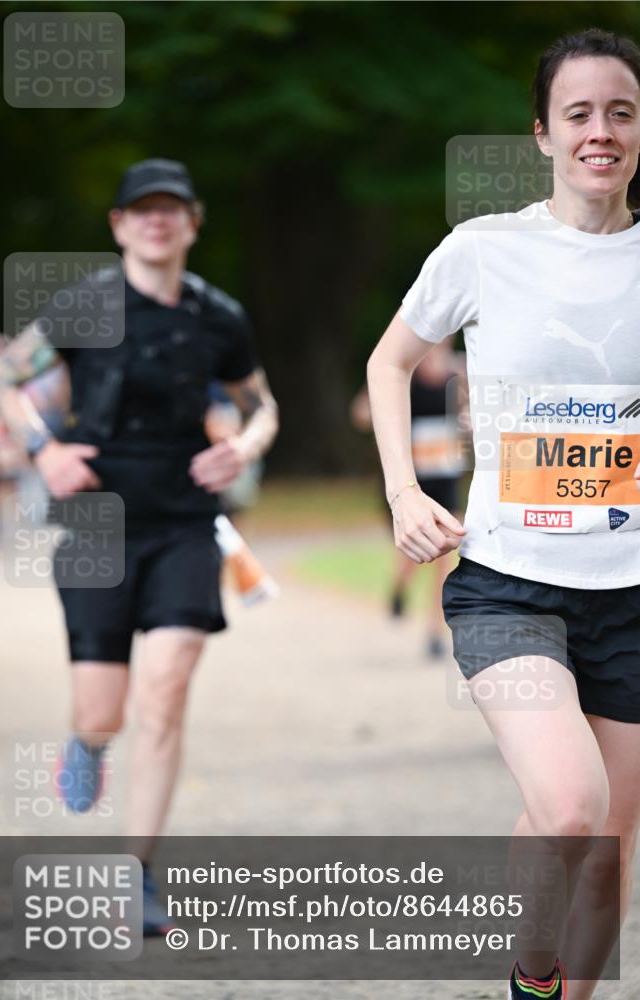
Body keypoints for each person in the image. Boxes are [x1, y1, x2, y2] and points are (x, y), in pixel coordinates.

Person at [366, 28, 639, 1000]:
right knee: (569, 808)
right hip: (507, 581)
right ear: (541, 133)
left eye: (620, 112)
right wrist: (404, 489)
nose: (599, 132)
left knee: (607, 844)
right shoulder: (486, 249)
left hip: (633, 595)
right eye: (578, 114)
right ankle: (530, 978)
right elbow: (389, 361)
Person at [0, 158, 279, 935]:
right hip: (95, 523)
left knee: (167, 690)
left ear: (193, 222)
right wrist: (45, 450)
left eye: (171, 209)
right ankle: (87, 743)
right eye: (141, 210)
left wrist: (244, 447)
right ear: (119, 224)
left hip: (185, 519)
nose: (157, 221)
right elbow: (6, 383)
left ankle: (136, 872)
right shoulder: (83, 307)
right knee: (105, 711)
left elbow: (262, 407)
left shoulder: (219, 316)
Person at [351, 337, 467, 656]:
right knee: (413, 552)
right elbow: (361, 413)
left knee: (447, 552)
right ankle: (399, 587)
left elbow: (475, 416)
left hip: (446, 473)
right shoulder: (404, 367)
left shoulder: (461, 369)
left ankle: (434, 633)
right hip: (411, 479)